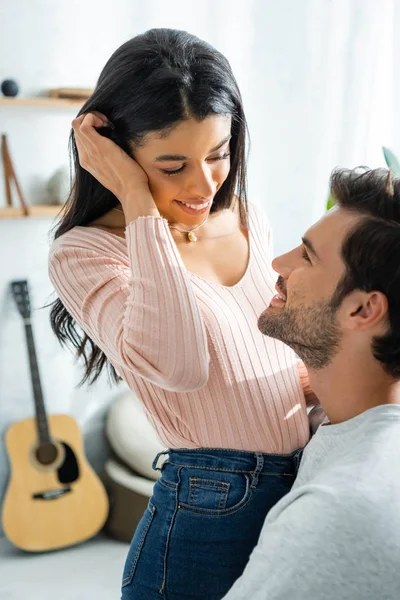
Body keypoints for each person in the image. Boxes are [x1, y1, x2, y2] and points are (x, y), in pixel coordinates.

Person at [48, 28, 315, 600]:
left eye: (218, 155)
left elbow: (276, 350)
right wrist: (140, 207)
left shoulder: (245, 215)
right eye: (172, 166)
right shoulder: (86, 254)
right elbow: (179, 366)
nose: (203, 185)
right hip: (209, 505)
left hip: (301, 487)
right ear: (115, 154)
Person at [223, 167, 400, 600]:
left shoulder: (338, 513)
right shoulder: (343, 428)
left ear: (363, 310)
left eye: (306, 255)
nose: (277, 263)